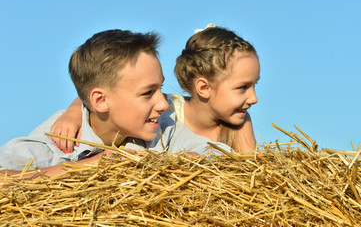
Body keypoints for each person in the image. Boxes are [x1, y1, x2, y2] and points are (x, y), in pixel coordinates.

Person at [51, 24, 260, 154]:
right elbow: (109, 94)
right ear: (204, 87)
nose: (254, 98)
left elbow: (250, 174)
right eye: (243, 87)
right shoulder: (166, 108)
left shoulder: (239, 124)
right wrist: (73, 112)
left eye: (254, 85)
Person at [0, 29, 169, 172]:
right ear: (100, 101)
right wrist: (89, 165)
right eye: (148, 92)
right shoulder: (56, 145)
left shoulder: (169, 123)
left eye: (161, 88)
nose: (164, 104)